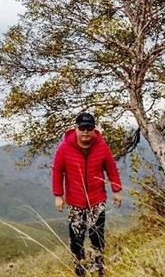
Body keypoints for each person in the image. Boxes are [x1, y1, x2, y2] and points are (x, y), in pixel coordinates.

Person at [52, 112, 123, 276]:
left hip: (97, 200)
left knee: (96, 236)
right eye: (82, 128)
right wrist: (58, 196)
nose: (86, 132)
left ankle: (99, 269)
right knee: (76, 239)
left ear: (93, 129)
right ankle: (80, 270)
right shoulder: (64, 147)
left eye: (89, 128)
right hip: (75, 203)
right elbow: (57, 172)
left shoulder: (101, 145)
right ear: (76, 128)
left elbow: (111, 168)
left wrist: (116, 190)